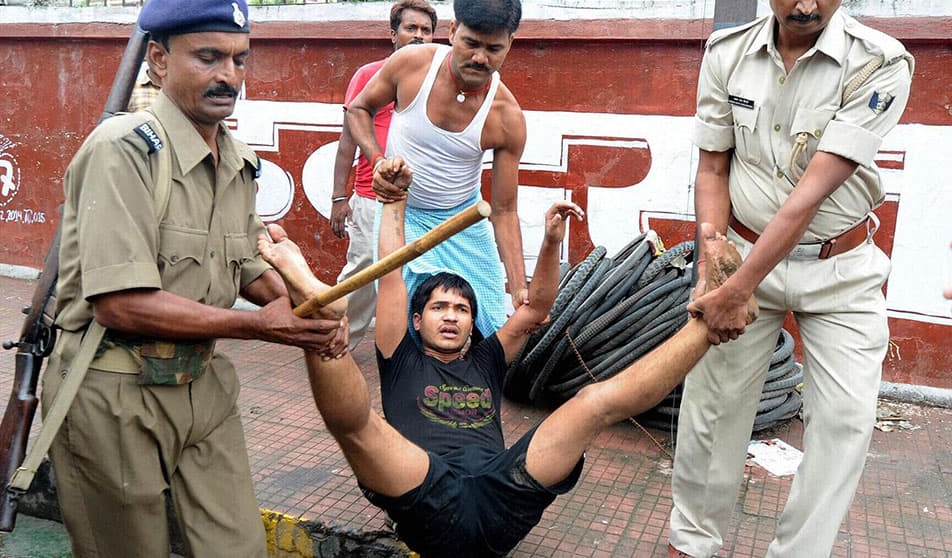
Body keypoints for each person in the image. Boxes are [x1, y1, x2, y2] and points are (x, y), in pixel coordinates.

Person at [259, 156, 754, 558]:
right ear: (416, 321)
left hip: (501, 495)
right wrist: (393, 202)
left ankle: (708, 323)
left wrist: (552, 241)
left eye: (461, 309)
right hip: (423, 491)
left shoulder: (488, 358)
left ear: (474, 322)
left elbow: (537, 307)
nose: (451, 316)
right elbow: (392, 275)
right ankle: (319, 321)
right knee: (359, 426)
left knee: (592, 403)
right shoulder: (400, 353)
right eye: (438, 308)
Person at [42, 0, 346, 558]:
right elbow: (121, 302)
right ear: (157, 61)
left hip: (200, 383)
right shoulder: (123, 150)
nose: (228, 75)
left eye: (238, 59)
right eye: (208, 57)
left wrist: (302, 306)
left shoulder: (237, 160)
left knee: (239, 548)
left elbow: (246, 266)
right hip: (114, 389)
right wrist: (258, 328)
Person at [667, 0, 914, 556]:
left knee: (844, 422)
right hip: (741, 253)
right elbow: (712, 168)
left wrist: (736, 287)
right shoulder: (725, 54)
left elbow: (810, 195)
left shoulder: (881, 62)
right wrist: (711, 263)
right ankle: (691, 544)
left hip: (843, 268)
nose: (808, 4)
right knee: (712, 407)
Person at [345, 0, 527, 339]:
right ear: (453, 31)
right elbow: (359, 109)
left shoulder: (506, 117)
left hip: (463, 223)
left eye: (494, 49)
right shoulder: (412, 66)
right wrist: (378, 160)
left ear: (510, 45)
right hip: (400, 216)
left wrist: (520, 289)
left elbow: (504, 211)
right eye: (471, 43)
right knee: (409, 329)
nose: (480, 58)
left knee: (489, 328)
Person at [330, 0, 437, 349]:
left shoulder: (440, 82)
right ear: (393, 35)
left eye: (426, 30)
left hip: (423, 204)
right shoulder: (368, 75)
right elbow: (347, 141)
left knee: (419, 278)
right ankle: (333, 341)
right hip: (372, 197)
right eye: (411, 29)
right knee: (362, 276)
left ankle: (412, 351)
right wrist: (339, 198)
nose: (418, 36)